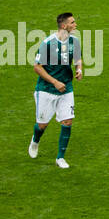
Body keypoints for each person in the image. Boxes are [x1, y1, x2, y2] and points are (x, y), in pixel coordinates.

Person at [30, 12, 82, 168]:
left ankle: (60, 158)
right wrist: (54, 82)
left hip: (66, 87)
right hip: (46, 89)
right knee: (42, 125)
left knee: (67, 121)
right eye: (73, 22)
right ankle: (35, 141)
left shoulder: (75, 41)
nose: (75, 25)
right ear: (64, 25)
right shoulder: (48, 44)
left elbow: (78, 58)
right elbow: (37, 67)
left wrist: (79, 69)